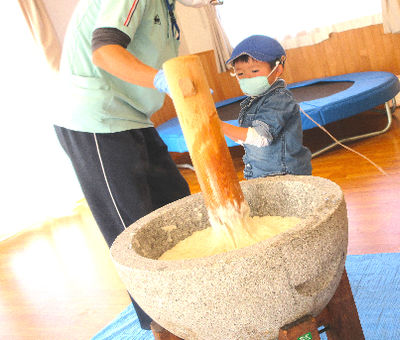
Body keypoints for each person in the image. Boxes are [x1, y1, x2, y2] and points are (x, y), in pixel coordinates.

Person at [54, 0, 212, 330]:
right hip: (96, 117)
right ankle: (165, 326)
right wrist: (162, 80)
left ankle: (196, 309)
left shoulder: (166, 8)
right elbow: (105, 51)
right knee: (136, 233)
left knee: (178, 209)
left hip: (133, 116)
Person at [220, 35, 312, 179]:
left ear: (277, 69)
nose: (247, 78)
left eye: (255, 71)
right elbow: (246, 139)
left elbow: (261, 137)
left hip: (284, 176)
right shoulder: (252, 102)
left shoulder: (279, 98)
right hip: (260, 174)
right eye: (240, 73)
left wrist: (219, 126)